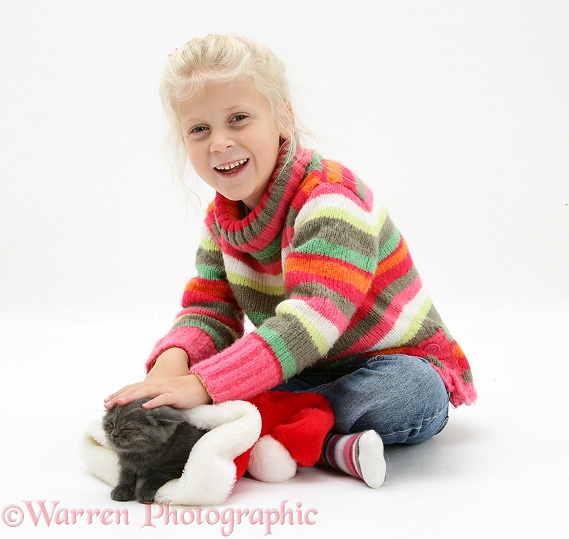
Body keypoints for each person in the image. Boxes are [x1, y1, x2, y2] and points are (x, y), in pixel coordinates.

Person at [105, 34, 477, 488]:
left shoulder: (330, 198)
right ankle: (312, 440)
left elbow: (310, 321)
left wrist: (204, 387)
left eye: (238, 119)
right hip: (303, 369)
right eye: (199, 129)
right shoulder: (223, 219)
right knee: (214, 379)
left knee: (409, 393)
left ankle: (256, 425)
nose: (220, 142)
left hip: (390, 362)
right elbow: (209, 311)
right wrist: (170, 371)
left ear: (283, 116)